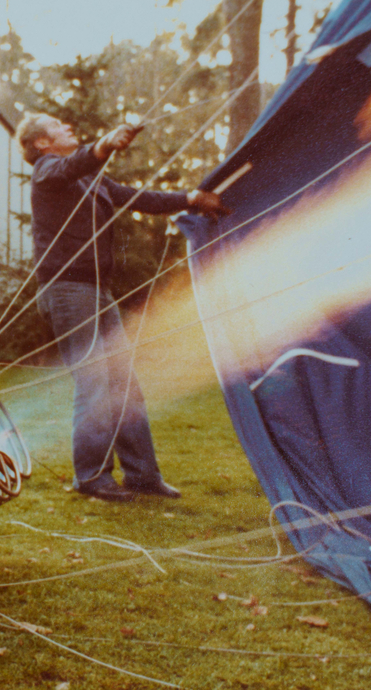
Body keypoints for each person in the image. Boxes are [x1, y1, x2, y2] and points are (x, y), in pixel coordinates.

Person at [16, 112, 229, 502]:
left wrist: (191, 199)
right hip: (67, 289)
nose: (69, 127)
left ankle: (143, 476)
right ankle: (91, 477)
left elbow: (140, 198)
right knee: (94, 379)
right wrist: (104, 145)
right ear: (42, 143)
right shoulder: (48, 170)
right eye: (60, 126)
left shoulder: (90, 179)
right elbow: (76, 162)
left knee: (124, 381)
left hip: (98, 289)